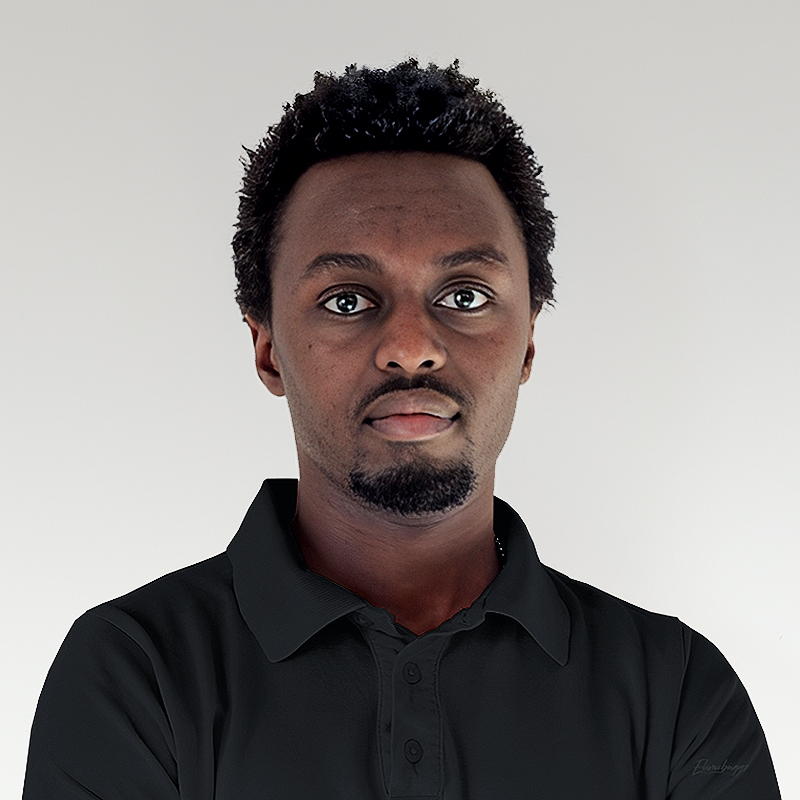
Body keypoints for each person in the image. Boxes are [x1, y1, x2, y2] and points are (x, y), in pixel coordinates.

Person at [22, 59, 781, 800]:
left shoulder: (677, 692)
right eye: (348, 300)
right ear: (268, 348)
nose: (412, 346)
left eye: (465, 295)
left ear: (527, 342)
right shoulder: (135, 676)